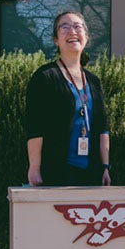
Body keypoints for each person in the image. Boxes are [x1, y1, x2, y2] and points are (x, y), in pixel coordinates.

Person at [25, 11, 111, 187]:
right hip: (57, 170)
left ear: (86, 37)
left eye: (78, 27)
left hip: (92, 170)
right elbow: (35, 126)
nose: (72, 31)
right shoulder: (44, 76)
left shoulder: (93, 81)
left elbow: (103, 127)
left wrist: (105, 166)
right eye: (64, 27)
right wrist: (34, 167)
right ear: (56, 39)